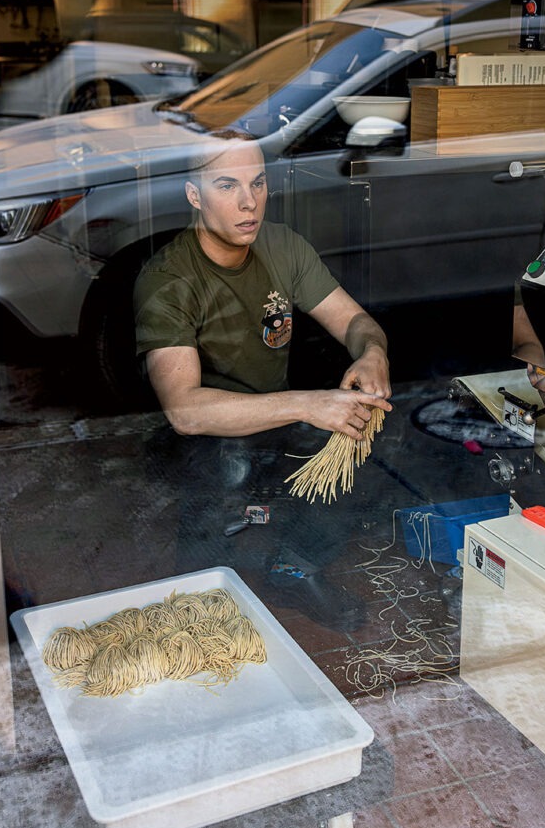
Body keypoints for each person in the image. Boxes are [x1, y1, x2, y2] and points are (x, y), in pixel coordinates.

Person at [134, 129, 393, 630]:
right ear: (194, 195)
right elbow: (185, 411)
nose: (248, 202)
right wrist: (308, 404)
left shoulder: (281, 245)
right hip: (204, 433)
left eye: (258, 183)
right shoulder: (167, 279)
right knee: (224, 474)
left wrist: (373, 353)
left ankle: (294, 567)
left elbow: (356, 322)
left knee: (372, 438)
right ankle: (198, 594)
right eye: (227, 185)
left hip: (275, 417)